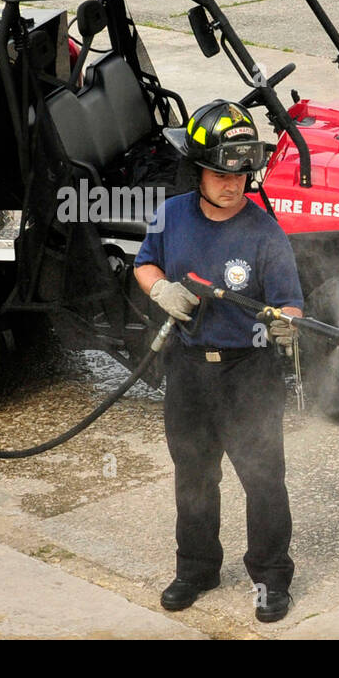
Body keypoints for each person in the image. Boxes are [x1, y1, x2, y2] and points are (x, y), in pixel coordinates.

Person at [134, 100, 304, 624]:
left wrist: (287, 323)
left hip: (247, 374)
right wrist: (160, 289)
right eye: (220, 174)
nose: (232, 185)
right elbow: (144, 264)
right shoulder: (172, 214)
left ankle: (271, 577)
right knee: (193, 475)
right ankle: (198, 568)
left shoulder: (264, 233)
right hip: (187, 371)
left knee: (263, 478)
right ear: (198, 171)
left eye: (241, 175)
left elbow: (291, 301)